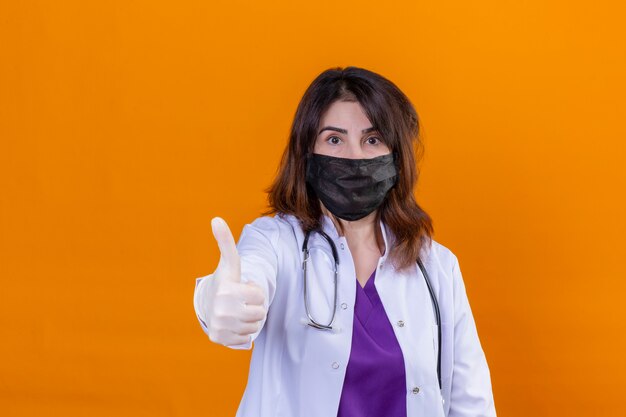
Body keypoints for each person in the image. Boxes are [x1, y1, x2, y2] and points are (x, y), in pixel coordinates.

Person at [193, 66, 497, 417]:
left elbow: (471, 402)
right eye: (334, 139)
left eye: (372, 140)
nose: (354, 156)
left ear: (396, 156)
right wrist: (216, 298)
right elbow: (245, 279)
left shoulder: (436, 266)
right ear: (307, 154)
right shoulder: (276, 243)